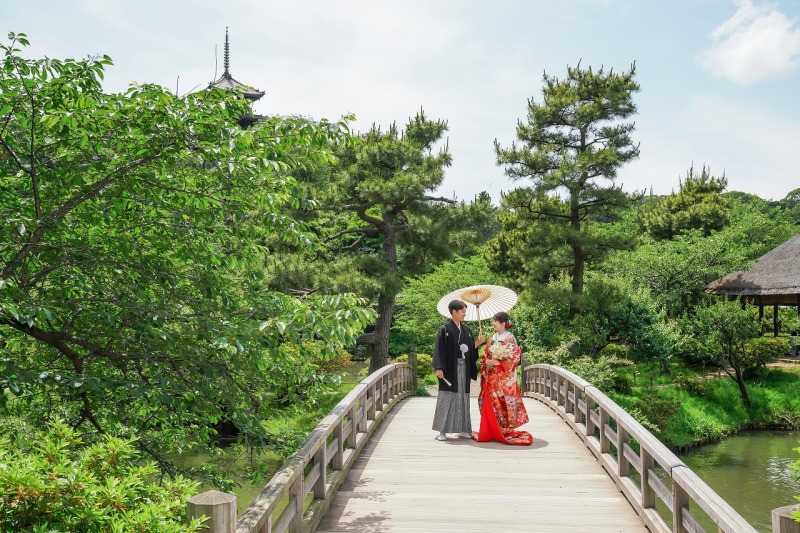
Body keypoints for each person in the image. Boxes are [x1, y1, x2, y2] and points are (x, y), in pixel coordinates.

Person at [473, 311, 533, 445]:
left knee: (503, 401)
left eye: (495, 321)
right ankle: (492, 429)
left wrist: (499, 363)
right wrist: (487, 361)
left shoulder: (510, 338)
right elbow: (486, 353)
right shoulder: (492, 337)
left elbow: (514, 356)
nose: (493, 323)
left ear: (502, 323)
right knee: (491, 402)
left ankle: (504, 429)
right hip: (491, 376)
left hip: (503, 377)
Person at [432, 299, 485, 441]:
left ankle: (462, 429)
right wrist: (438, 367)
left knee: (463, 397)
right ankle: (442, 431)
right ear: (454, 312)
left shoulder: (466, 330)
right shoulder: (444, 329)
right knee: (447, 397)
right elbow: (439, 350)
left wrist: (477, 344)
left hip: (464, 368)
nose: (464, 314)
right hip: (449, 369)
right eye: (462, 311)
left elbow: (469, 352)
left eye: (465, 311)